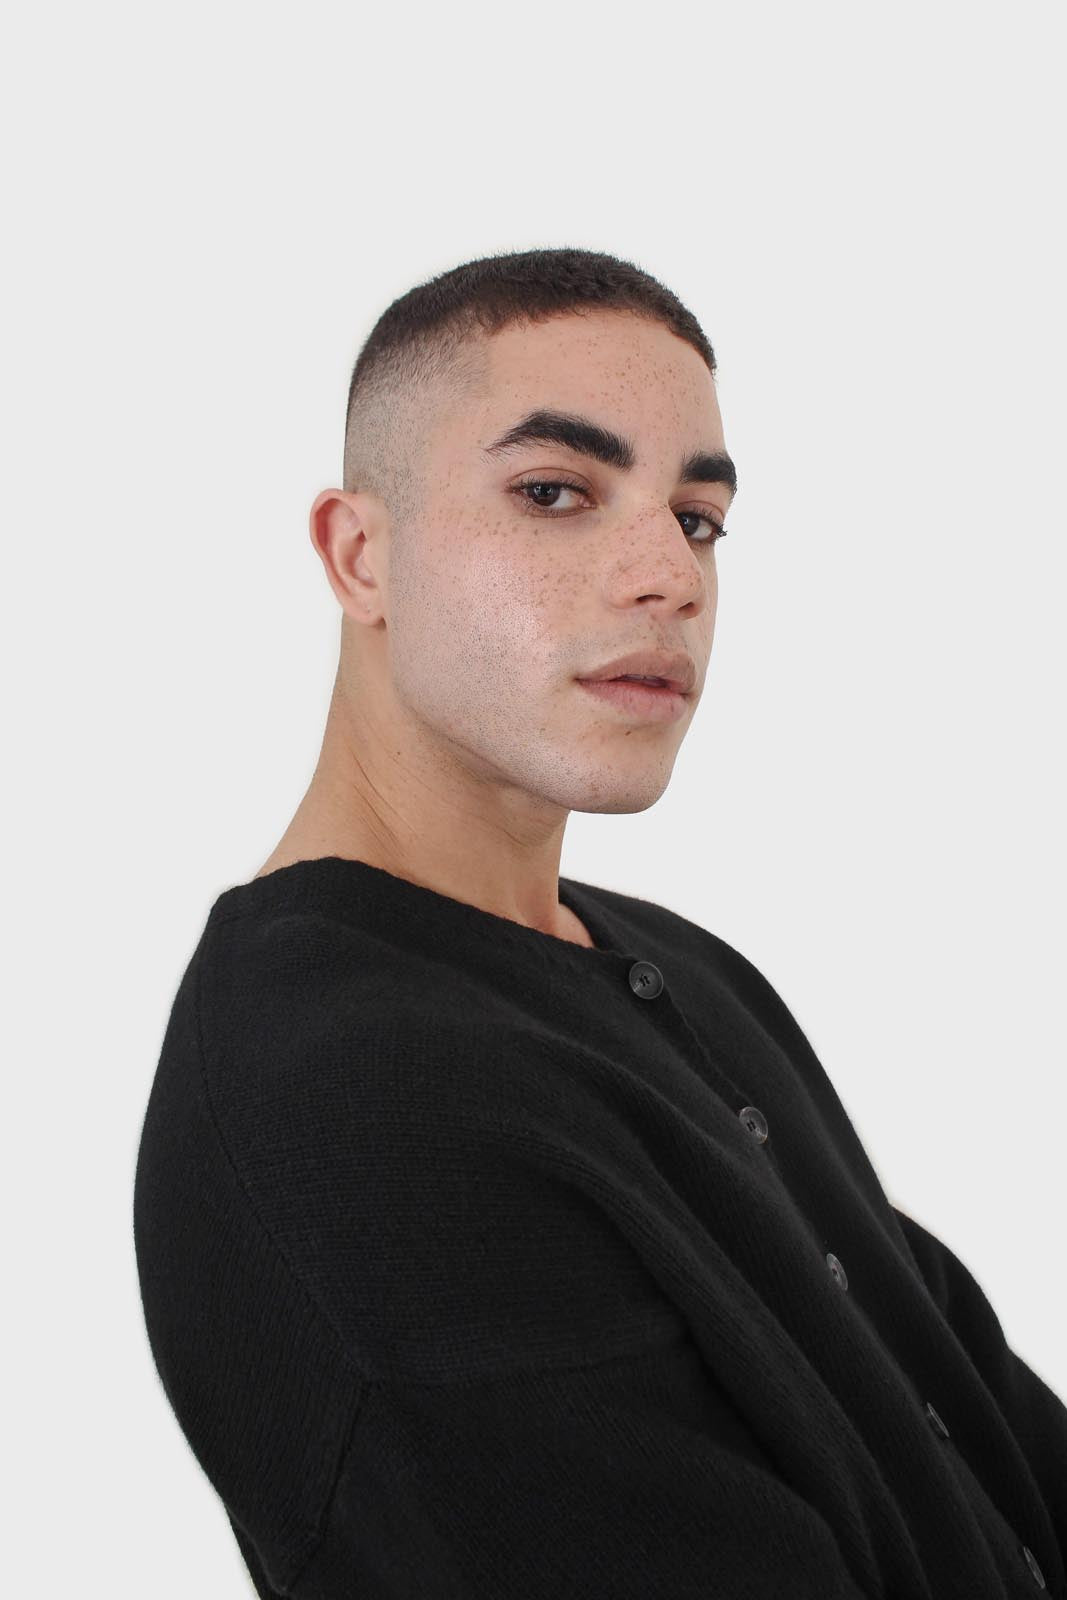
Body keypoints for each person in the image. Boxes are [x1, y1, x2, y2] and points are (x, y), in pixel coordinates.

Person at [133, 246, 1065, 1599]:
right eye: (555, 492)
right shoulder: (351, 1098)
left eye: (698, 518)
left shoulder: (681, 968)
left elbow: (972, 1403)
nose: (669, 576)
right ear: (361, 554)